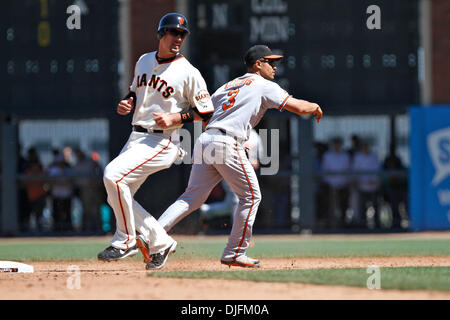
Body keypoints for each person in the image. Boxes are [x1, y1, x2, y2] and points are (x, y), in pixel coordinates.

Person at [153, 45, 323, 268]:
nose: (274, 66)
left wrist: (178, 120)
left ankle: (152, 236)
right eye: (270, 62)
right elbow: (299, 108)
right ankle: (235, 252)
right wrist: (315, 106)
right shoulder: (263, 85)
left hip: (206, 139)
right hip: (225, 140)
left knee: (191, 197)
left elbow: (203, 115)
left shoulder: (227, 86)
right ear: (257, 64)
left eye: (275, 62)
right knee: (251, 197)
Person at [97, 13, 214, 269]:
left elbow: (206, 111)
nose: (178, 38)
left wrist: (177, 116)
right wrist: (128, 102)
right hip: (136, 136)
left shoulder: (188, 72)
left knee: (112, 176)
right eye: (174, 32)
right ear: (161, 34)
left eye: (182, 34)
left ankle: (125, 240)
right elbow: (135, 91)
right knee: (118, 194)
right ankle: (161, 242)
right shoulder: (143, 61)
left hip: (163, 141)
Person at [198, 128, 264, 233]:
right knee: (238, 201)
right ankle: (239, 233)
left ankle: (204, 211)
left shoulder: (255, 136)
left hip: (247, 173)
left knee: (230, 205)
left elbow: (258, 160)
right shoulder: (233, 132)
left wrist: (253, 163)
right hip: (231, 170)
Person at [320, 137, 351, 228]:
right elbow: (324, 171)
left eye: (339, 144)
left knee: (343, 206)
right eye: (335, 144)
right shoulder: (327, 155)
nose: (337, 146)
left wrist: (343, 181)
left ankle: (343, 224)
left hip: (343, 185)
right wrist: (331, 182)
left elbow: (348, 170)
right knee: (330, 206)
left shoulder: (345, 155)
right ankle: (330, 224)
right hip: (330, 185)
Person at [72, 148, 104, 234]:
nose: (79, 155)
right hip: (84, 189)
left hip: (95, 189)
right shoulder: (77, 165)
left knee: (97, 209)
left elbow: (99, 169)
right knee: (87, 210)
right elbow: (75, 179)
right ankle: (88, 229)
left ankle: (99, 229)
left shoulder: (90, 161)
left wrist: (97, 181)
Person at [351, 141, 381, 228]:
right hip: (362, 186)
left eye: (366, 147)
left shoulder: (374, 156)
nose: (365, 149)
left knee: (375, 206)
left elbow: (378, 170)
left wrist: (374, 180)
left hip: (374, 186)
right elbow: (355, 170)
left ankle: (377, 226)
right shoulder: (357, 157)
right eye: (363, 147)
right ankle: (363, 226)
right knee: (362, 208)